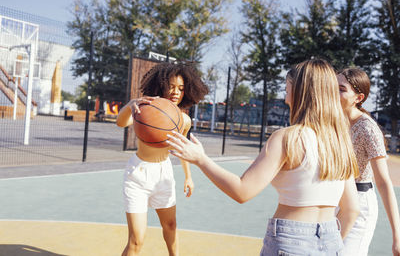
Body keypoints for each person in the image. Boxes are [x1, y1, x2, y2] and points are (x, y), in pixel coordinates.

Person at [166, 59, 360, 255]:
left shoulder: (287, 138)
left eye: (287, 90)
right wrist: (327, 245)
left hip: (290, 240)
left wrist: (201, 159)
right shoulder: (340, 141)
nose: (285, 98)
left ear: (301, 92)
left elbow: (242, 191)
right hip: (331, 240)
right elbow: (351, 210)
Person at [116, 62, 208, 256]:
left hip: (163, 174)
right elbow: (121, 122)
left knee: (171, 227)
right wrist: (131, 104)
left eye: (181, 88)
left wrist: (188, 176)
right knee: (136, 240)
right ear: (161, 85)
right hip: (138, 174)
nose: (176, 92)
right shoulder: (147, 107)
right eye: (172, 86)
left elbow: (182, 149)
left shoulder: (184, 120)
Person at [337, 68, 400, 256]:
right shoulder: (333, 121)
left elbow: (383, 182)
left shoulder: (368, 128)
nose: (333, 92)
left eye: (341, 88)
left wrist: (397, 236)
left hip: (360, 205)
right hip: (334, 201)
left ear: (359, 97)